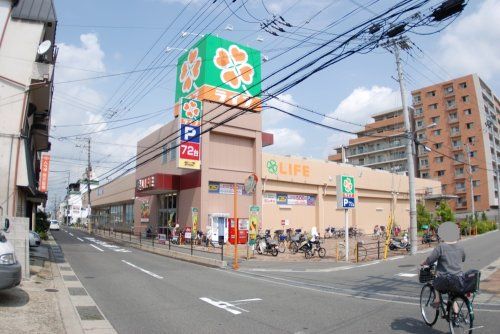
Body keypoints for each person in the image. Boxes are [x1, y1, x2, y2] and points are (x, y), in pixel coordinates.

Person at [420, 222, 465, 310]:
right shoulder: (460, 247)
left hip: (445, 280)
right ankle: (456, 317)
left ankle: (437, 300)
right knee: (452, 296)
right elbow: (463, 258)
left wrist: (424, 263)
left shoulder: (441, 247)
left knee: (435, 280)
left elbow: (430, 259)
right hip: (459, 279)